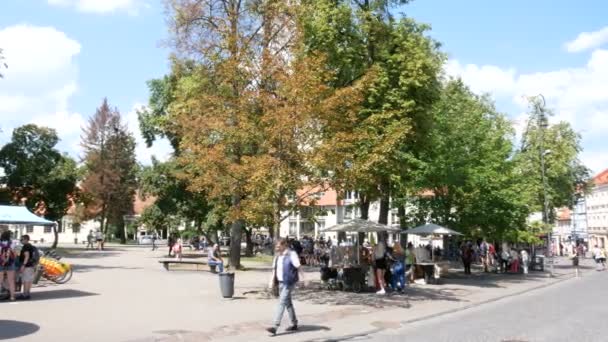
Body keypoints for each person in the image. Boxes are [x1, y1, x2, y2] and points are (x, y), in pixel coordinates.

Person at [266, 238, 304, 335]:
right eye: (276, 246)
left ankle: (275, 326)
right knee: (288, 303)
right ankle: (294, 323)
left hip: (289, 282)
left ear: (284, 246)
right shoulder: (277, 256)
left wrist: (303, 279)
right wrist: (271, 283)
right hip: (281, 282)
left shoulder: (292, 254)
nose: (276, 248)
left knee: (281, 302)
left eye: (278, 246)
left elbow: (298, 266)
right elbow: (274, 270)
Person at [18, 235, 37, 300]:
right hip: (31, 265)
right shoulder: (30, 246)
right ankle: (27, 293)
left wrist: (23, 265)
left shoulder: (26, 246)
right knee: (29, 280)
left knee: (26, 280)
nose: (21, 240)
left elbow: (27, 256)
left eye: (22, 239)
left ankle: (25, 294)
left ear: (26, 239)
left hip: (27, 266)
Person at [0, 230, 17, 301]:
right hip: (10, 263)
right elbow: (15, 254)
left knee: (0, 280)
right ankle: (12, 297)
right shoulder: (13, 243)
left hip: (0, 263)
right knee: (11, 281)